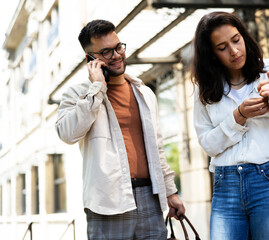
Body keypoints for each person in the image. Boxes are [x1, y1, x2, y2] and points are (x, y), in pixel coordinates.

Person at [55, 19, 185, 239]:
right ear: (90, 59)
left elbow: (157, 148)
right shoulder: (78, 95)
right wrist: (97, 88)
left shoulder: (144, 93)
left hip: (150, 200)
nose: (116, 55)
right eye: (106, 52)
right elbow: (67, 133)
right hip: (108, 203)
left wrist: (171, 192)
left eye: (118, 47)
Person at [191, 12, 269, 240]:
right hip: (226, 186)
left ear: (244, 36)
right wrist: (238, 117)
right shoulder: (205, 88)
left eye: (236, 39)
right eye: (222, 47)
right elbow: (208, 145)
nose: (234, 51)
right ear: (211, 54)